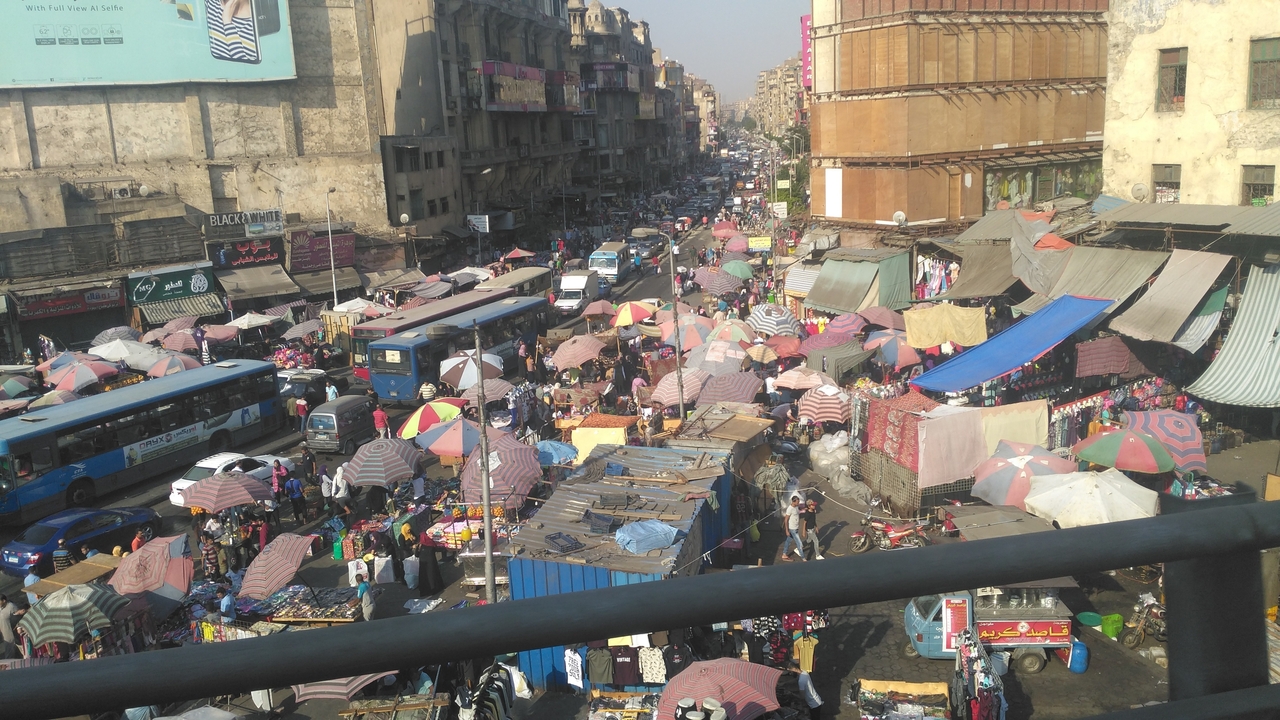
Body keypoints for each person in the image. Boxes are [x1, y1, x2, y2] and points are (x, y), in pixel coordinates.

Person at [781, 495, 805, 562]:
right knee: (799, 543)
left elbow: (798, 511)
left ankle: (784, 554)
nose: (798, 503)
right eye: (797, 502)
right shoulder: (790, 509)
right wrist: (786, 530)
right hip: (792, 529)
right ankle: (803, 558)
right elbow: (786, 520)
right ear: (793, 502)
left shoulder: (796, 507)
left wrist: (803, 510)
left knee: (788, 541)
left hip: (796, 527)